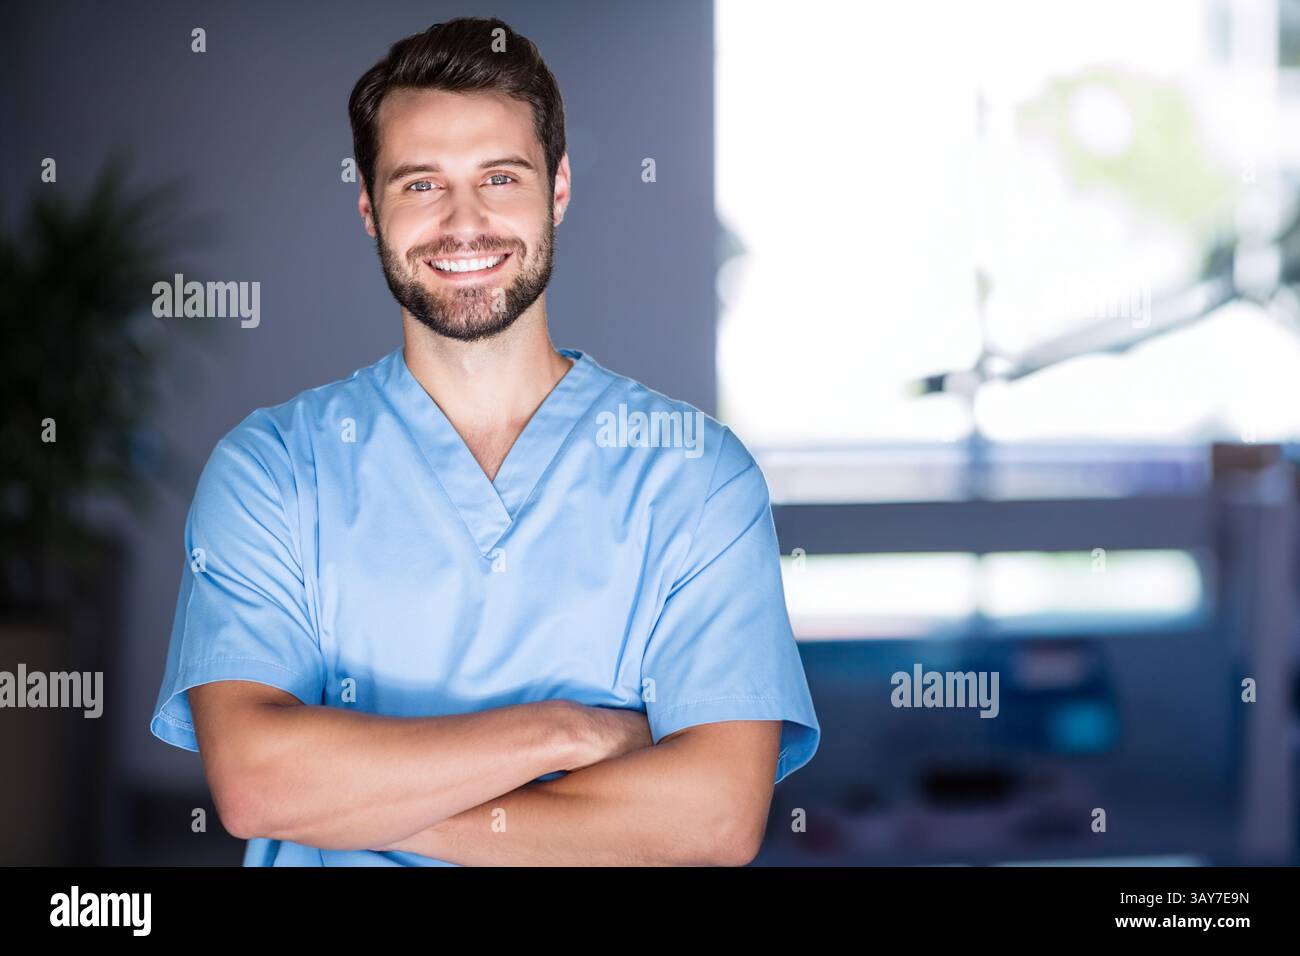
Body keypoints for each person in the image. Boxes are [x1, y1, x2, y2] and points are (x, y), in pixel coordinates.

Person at [149, 15, 819, 867]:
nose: (464, 224)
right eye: (420, 185)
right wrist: (564, 732)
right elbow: (256, 785)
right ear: (368, 207)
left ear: (559, 190)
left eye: (500, 178)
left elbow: (715, 819)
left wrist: (353, 802)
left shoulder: (697, 477)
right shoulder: (272, 471)